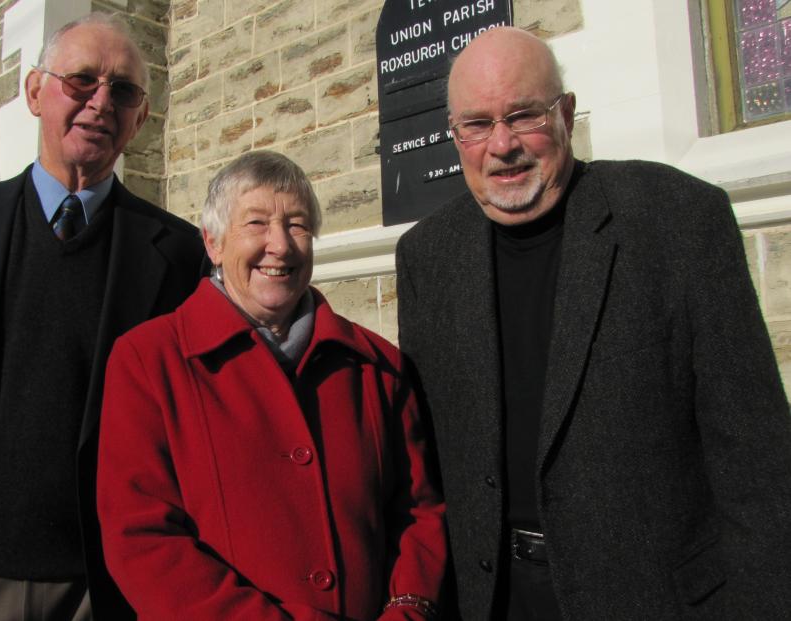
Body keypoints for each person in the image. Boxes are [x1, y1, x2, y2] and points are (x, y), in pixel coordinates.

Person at [396, 27, 791, 620]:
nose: (501, 145)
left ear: (567, 114)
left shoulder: (676, 218)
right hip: (494, 600)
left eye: (523, 115)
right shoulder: (427, 255)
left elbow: (757, 462)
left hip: (656, 598)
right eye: (476, 125)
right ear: (455, 135)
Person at [0, 12, 204, 620]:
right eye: (81, 81)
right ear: (34, 91)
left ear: (141, 117)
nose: (100, 102)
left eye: (122, 91)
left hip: (101, 587)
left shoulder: (178, 254)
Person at [97, 150, 447, 620]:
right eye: (256, 223)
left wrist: (408, 609)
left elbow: (419, 511)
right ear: (213, 243)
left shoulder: (377, 366)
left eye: (298, 224)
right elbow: (141, 538)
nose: (280, 245)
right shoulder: (148, 361)